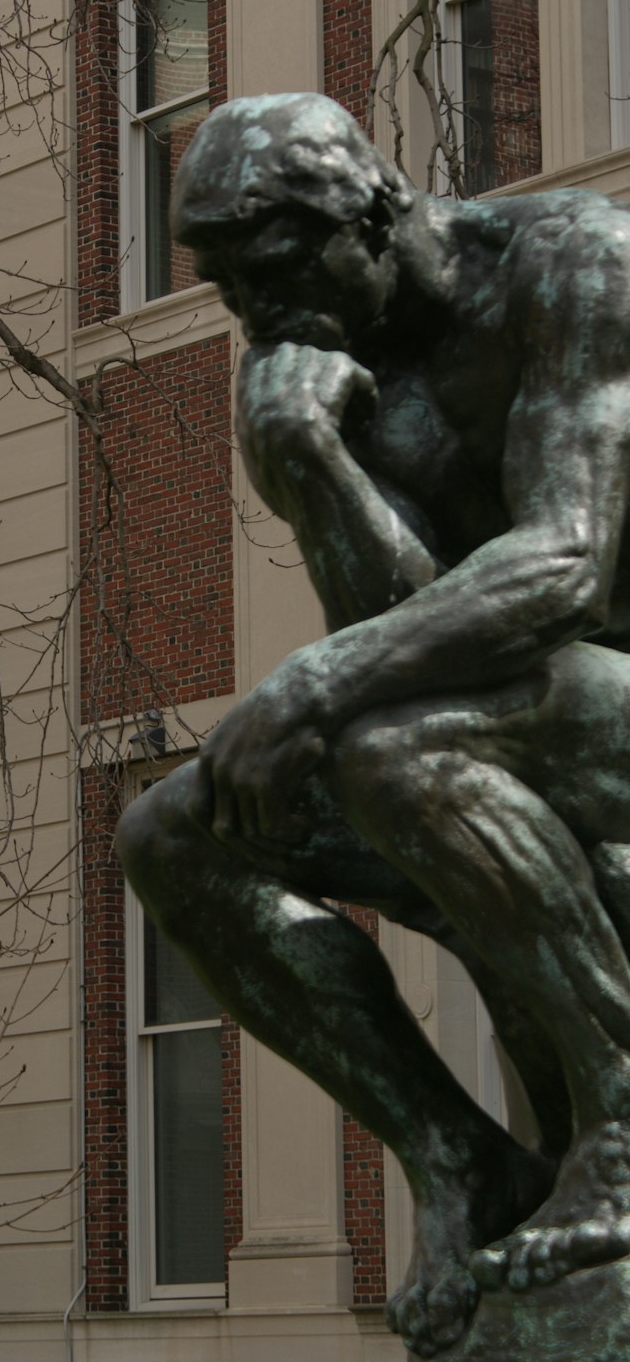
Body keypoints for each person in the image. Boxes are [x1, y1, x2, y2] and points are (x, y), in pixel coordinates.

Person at [115, 92, 630, 1359]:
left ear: (373, 208)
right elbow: (392, 630)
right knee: (175, 835)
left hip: (611, 680)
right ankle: (462, 1164)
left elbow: (565, 563)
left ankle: (623, 1113)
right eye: (230, 288)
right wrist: (311, 463)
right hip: (511, 716)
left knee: (386, 740)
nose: (258, 315)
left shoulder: (571, 261)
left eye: (278, 269)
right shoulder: (307, 370)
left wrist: (305, 686)